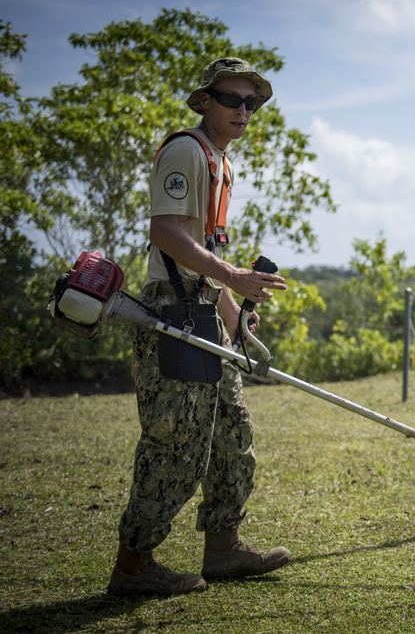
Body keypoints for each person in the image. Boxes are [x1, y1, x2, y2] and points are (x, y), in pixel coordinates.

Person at [108, 58, 291, 596]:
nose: (242, 110)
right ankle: (133, 566)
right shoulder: (187, 149)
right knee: (175, 447)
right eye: (231, 99)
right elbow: (165, 232)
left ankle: (224, 550)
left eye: (250, 103)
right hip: (172, 317)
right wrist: (233, 276)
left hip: (205, 314)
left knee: (233, 436)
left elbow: (206, 257)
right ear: (205, 101)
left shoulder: (221, 162)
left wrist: (236, 316)